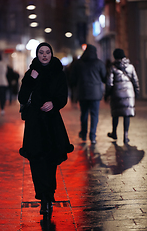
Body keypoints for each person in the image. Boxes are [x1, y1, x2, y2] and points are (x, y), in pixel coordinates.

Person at [18, 42, 74, 216]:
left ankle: (49, 196)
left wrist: (54, 103)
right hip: (34, 124)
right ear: (37, 54)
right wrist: (30, 79)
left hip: (52, 123)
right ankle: (42, 197)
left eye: (47, 52)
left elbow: (63, 97)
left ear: (51, 54)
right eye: (41, 52)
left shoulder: (58, 73)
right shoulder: (31, 73)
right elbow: (22, 98)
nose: (44, 55)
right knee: (36, 161)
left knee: (50, 162)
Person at [71, 44, 107, 144]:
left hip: (83, 92)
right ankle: (92, 135)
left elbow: (73, 78)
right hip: (95, 94)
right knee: (94, 114)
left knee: (84, 114)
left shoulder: (78, 63)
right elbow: (104, 78)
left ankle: (83, 134)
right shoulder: (99, 63)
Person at [104, 48, 140, 144]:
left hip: (117, 93)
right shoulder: (130, 66)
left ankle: (114, 132)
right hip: (129, 92)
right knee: (126, 114)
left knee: (115, 114)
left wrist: (107, 94)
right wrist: (137, 92)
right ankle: (126, 136)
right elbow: (135, 80)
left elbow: (109, 83)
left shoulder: (112, 67)